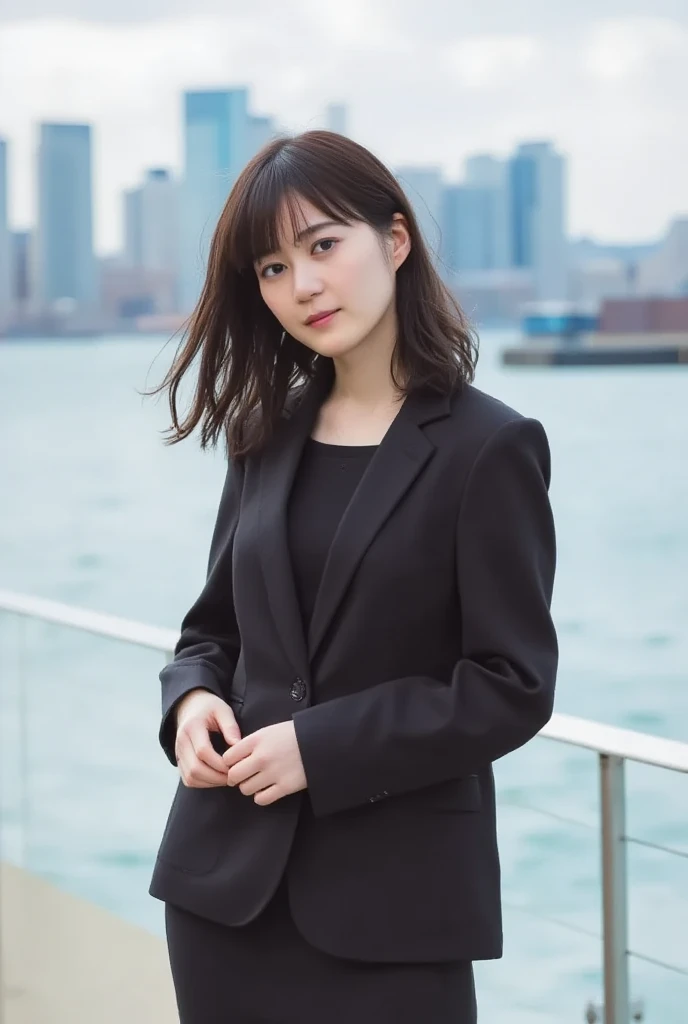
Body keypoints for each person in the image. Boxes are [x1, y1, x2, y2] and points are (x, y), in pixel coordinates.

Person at [147, 129, 558, 1024]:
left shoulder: (490, 449)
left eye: (323, 245)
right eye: (270, 268)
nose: (302, 286)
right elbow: (210, 632)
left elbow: (511, 686)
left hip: (396, 915)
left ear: (396, 241)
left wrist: (319, 749)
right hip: (224, 897)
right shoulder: (265, 436)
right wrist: (191, 704)